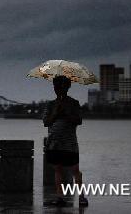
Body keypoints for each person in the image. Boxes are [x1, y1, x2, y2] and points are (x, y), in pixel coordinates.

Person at [42, 75, 88, 207]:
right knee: (58, 169)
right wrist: (56, 112)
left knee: (75, 170)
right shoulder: (50, 105)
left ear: (67, 88)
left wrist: (67, 112)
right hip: (54, 142)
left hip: (69, 143)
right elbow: (46, 122)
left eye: (61, 87)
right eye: (56, 87)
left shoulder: (74, 103)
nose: (59, 90)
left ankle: (81, 197)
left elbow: (79, 121)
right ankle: (60, 197)